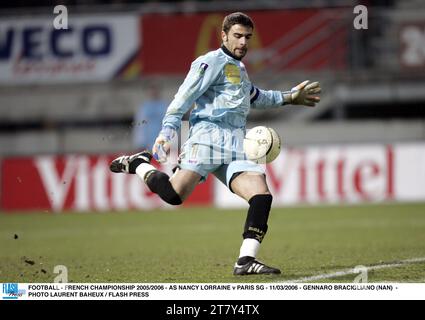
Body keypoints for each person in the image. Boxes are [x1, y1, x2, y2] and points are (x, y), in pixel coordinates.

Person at [110, 12, 321, 275]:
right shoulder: (209, 62)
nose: (243, 42)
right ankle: (139, 164)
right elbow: (183, 98)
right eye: (237, 36)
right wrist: (166, 133)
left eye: (247, 37)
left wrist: (290, 97)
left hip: (236, 143)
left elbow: (255, 96)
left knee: (261, 196)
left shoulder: (240, 69)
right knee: (174, 196)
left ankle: (245, 261)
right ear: (223, 35)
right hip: (207, 138)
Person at [132, 83, 168, 151]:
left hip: (161, 144)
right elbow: (139, 126)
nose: (153, 92)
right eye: (151, 90)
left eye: (155, 90)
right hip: (146, 145)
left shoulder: (164, 106)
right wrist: (139, 143)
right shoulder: (143, 107)